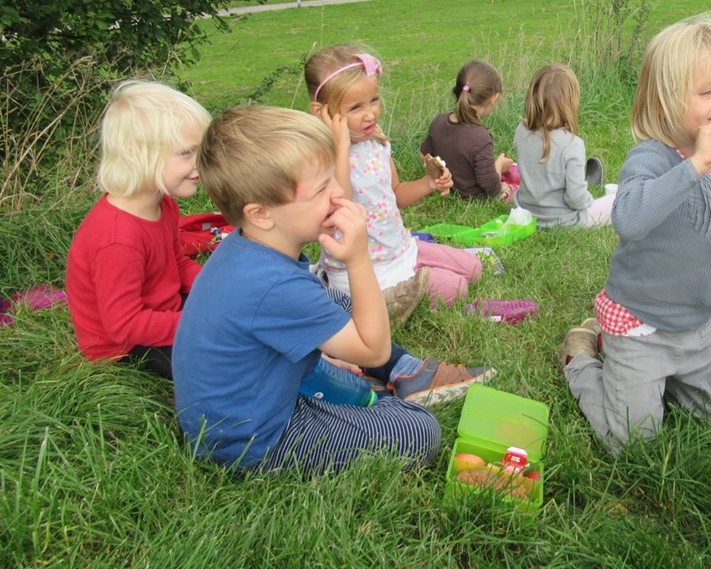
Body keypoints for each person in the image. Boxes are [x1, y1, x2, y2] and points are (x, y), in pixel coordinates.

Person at [173, 105, 494, 473]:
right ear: (261, 213)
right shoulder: (273, 284)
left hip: (251, 401)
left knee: (334, 299)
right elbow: (373, 350)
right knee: (418, 430)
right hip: (253, 440)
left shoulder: (249, 249)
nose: (340, 191)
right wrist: (358, 258)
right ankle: (390, 390)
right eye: (322, 187)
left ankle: (405, 374)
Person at [558, 14, 711, 454]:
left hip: (694, 324)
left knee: (696, 422)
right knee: (630, 444)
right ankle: (583, 361)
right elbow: (628, 219)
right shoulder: (652, 159)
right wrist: (695, 165)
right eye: (709, 92)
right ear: (666, 100)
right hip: (640, 322)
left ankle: (635, 376)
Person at [304, 45, 482, 317]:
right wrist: (340, 145)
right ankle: (375, 302)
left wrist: (428, 183)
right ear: (322, 112)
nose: (370, 114)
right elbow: (340, 205)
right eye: (355, 107)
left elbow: (395, 193)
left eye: (374, 100)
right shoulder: (322, 156)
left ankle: (413, 280)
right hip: (363, 270)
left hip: (400, 248)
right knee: (457, 287)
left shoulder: (375, 139)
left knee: (473, 267)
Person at [65, 80, 211, 379]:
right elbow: (125, 325)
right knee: (223, 358)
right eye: (186, 153)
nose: (199, 163)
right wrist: (197, 323)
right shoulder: (118, 239)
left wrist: (215, 285)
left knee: (241, 315)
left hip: (163, 313)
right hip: (127, 348)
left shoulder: (163, 203)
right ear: (135, 153)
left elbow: (178, 263)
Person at [513, 64, 615, 228]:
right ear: (570, 103)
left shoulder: (521, 131)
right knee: (614, 201)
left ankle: (584, 181)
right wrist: (588, 200)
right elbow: (574, 199)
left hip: (525, 213)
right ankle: (586, 185)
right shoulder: (573, 144)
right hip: (563, 221)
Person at [420, 60, 518, 201]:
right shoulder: (480, 137)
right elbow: (491, 187)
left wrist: (440, 174)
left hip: (449, 189)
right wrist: (500, 165)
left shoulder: (439, 121)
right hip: (475, 197)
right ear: (493, 98)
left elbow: (423, 155)